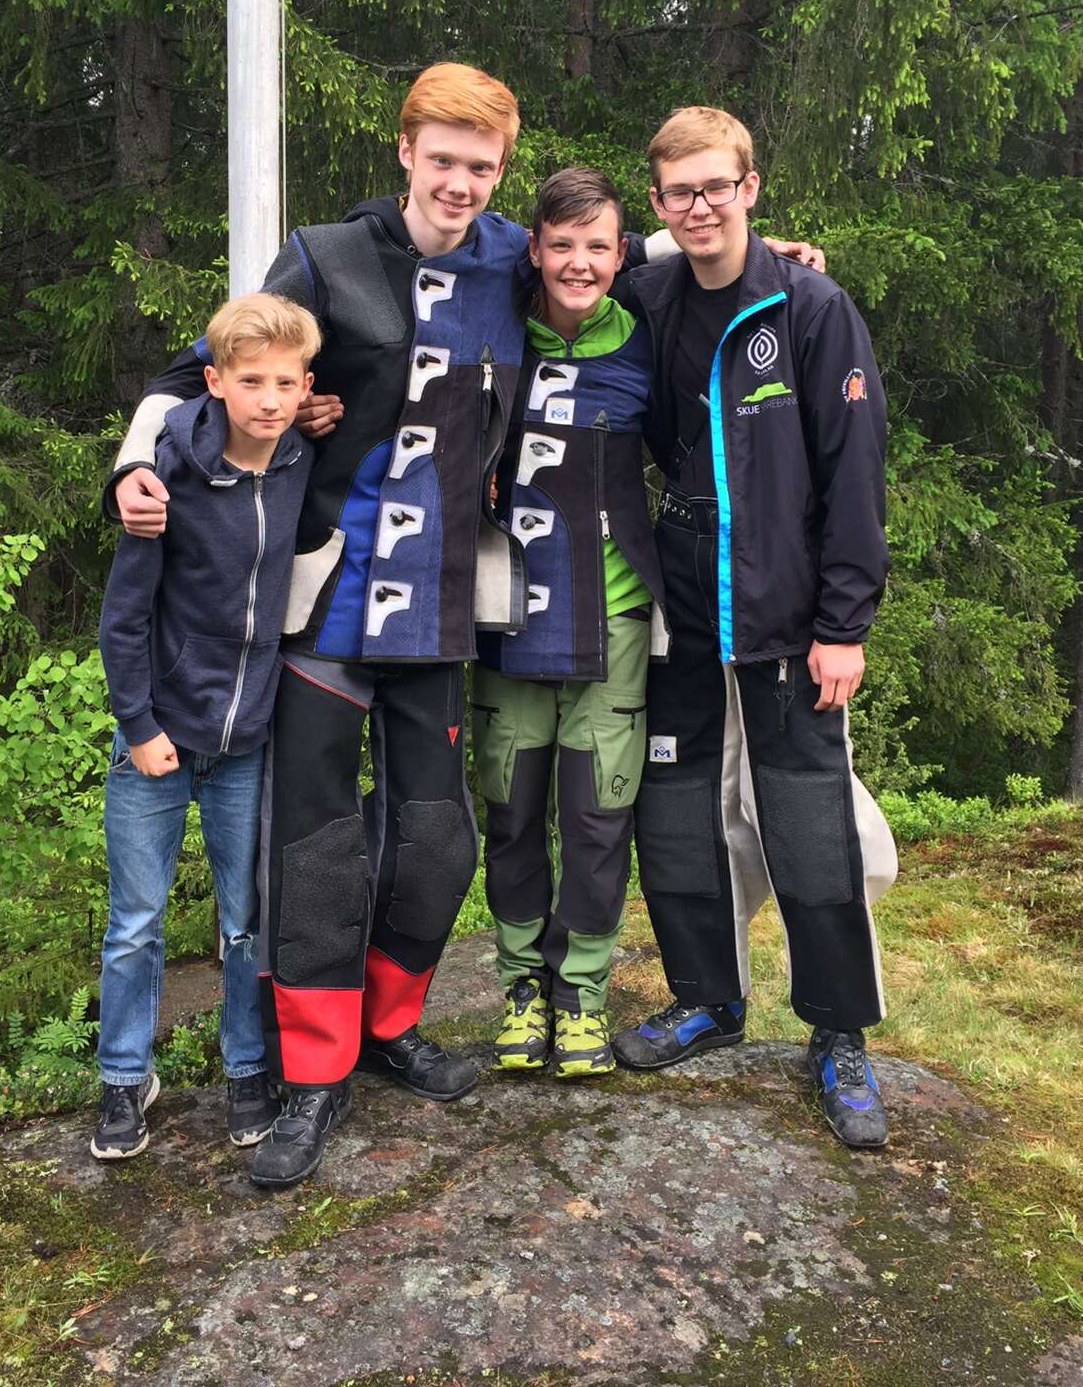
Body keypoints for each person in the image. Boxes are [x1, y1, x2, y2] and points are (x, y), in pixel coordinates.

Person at [107, 63, 824, 1185]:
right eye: (442, 159)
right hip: (326, 605)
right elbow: (203, 367)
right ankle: (313, 1076)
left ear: (500, 176)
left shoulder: (509, 256)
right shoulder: (326, 259)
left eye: (481, 167)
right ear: (405, 152)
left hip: (444, 608)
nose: (459, 182)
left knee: (437, 843)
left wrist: (762, 256)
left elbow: (617, 251)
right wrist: (135, 464)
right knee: (319, 853)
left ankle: (388, 1030)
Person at [611, 106, 898, 1149]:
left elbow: (855, 474)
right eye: (680, 192)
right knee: (678, 812)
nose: (701, 207)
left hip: (786, 602)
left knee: (808, 822)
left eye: (717, 187)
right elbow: (568, 259)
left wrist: (844, 624)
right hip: (681, 599)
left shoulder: (811, 308)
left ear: (751, 187)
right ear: (658, 203)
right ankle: (709, 1000)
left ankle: (838, 1033)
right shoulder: (647, 296)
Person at [92, 292, 320, 1161]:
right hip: (157, 739)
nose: (270, 399)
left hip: (245, 741)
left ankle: (247, 1068)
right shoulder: (165, 478)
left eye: (287, 383)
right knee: (137, 922)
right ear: (215, 381)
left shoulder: (300, 461)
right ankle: (124, 1078)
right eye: (251, 381)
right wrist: (138, 723)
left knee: (244, 920)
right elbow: (123, 620)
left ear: (306, 388)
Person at [472, 168, 667, 1077]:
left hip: (613, 617)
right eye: (561, 245)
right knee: (511, 813)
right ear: (535, 250)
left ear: (621, 253)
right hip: (505, 615)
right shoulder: (498, 331)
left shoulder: (648, 340)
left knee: (597, 816)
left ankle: (582, 992)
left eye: (598, 246)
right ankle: (521, 987)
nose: (579, 263)